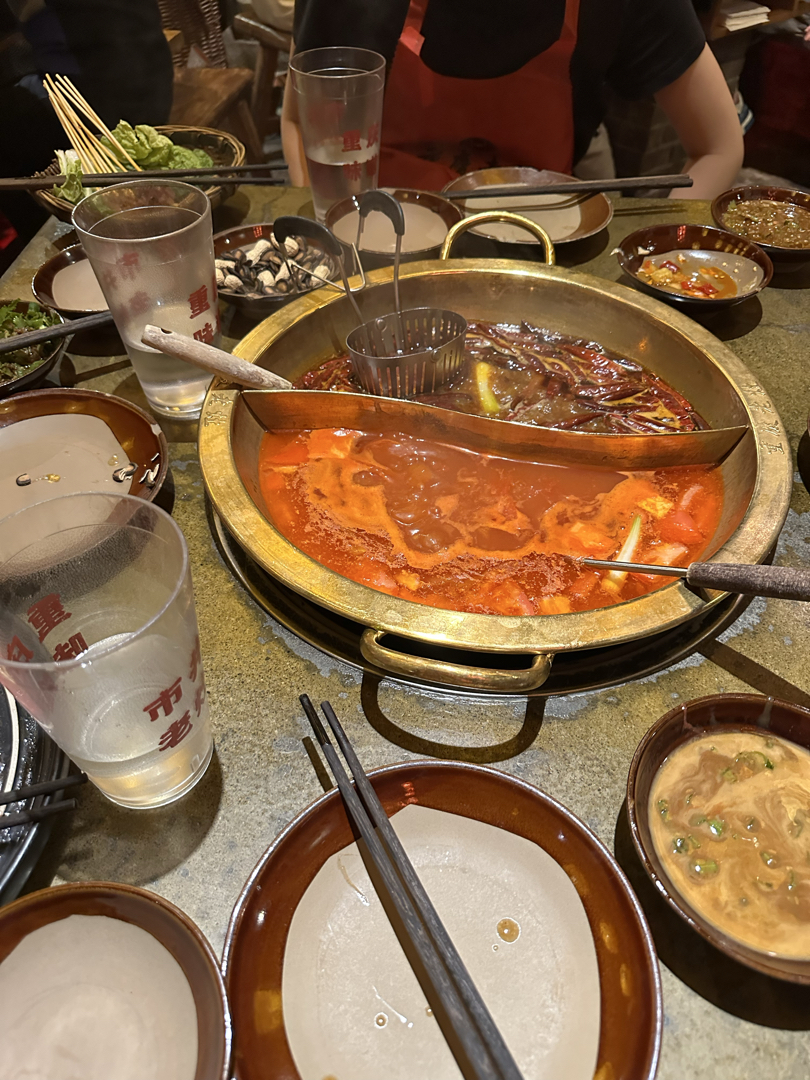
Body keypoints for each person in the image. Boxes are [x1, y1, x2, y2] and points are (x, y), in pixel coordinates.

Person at [281, 0, 744, 199]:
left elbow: (719, 148)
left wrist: (655, 268)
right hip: (381, 234)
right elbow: (301, 121)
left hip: (535, 249)